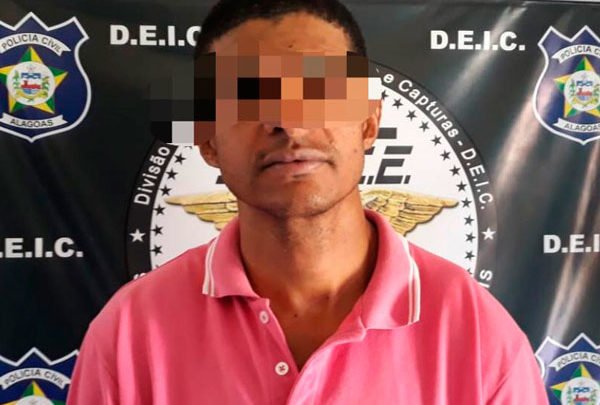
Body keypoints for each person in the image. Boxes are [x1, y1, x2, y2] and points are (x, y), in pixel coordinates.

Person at [67, 0, 549, 403]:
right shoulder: (128, 335)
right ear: (208, 139)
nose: (289, 121)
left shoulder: (481, 340)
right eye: (248, 95)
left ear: (368, 121)